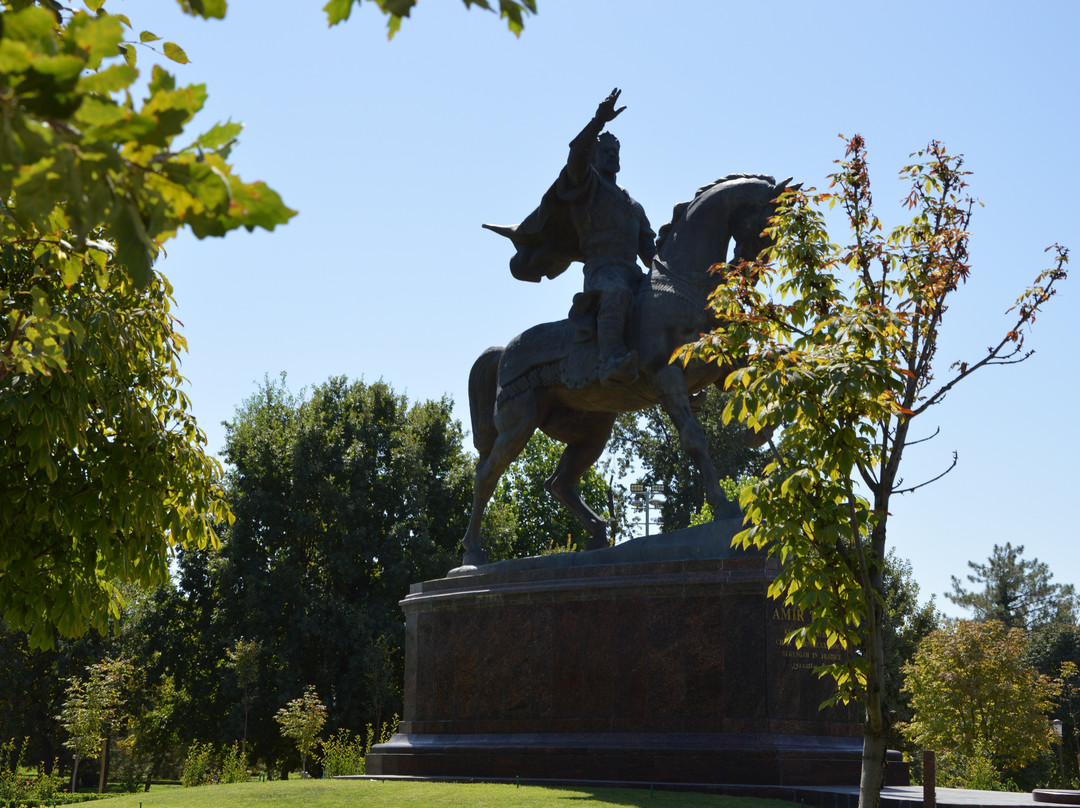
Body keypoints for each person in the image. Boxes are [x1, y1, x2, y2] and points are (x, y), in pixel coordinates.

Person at [484, 88, 656, 384]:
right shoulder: (585, 186)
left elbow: (649, 253)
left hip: (633, 274)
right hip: (604, 275)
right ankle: (610, 359)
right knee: (618, 294)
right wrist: (597, 122)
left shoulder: (633, 205)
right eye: (604, 151)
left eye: (616, 152)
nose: (612, 155)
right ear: (592, 158)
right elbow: (575, 158)